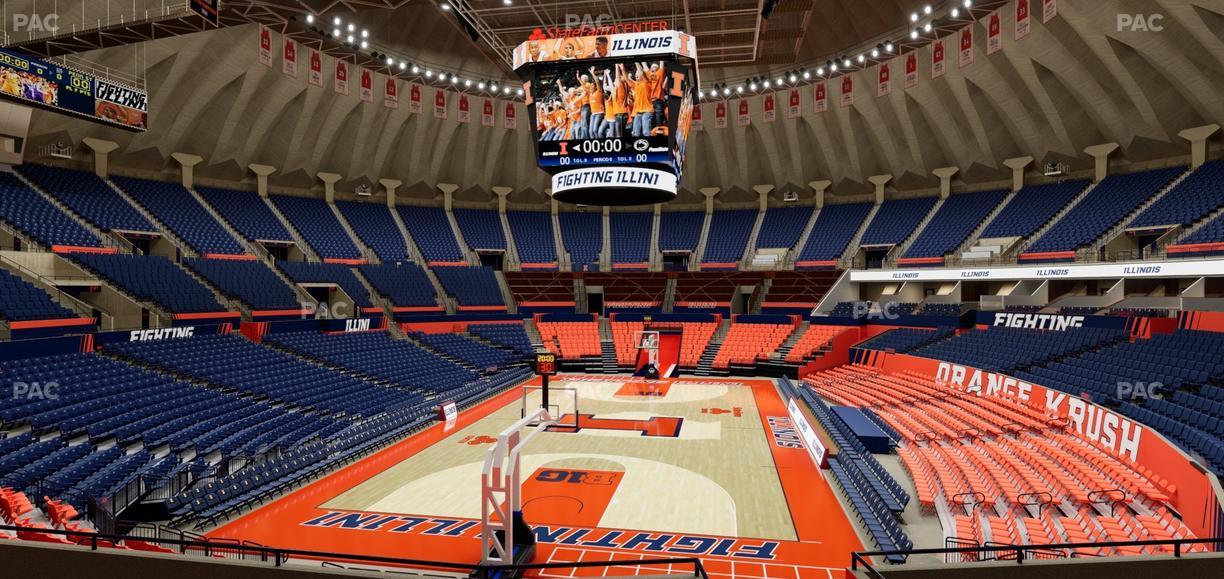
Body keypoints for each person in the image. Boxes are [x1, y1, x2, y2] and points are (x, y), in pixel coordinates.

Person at [626, 63, 654, 138]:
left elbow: (642, 72)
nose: (636, 74)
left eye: (637, 72)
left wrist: (636, 62)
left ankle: (649, 148)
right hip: (638, 112)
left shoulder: (647, 82)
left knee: (646, 132)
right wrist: (621, 68)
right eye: (635, 73)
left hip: (647, 111)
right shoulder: (636, 84)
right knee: (635, 134)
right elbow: (626, 79)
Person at [583, 67, 606, 139]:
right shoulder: (590, 93)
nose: (591, 87)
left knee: (595, 130)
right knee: (590, 131)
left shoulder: (598, 92)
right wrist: (578, 79)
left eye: (592, 86)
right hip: (593, 114)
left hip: (599, 113)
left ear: (595, 87)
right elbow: (583, 86)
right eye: (590, 86)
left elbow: (598, 82)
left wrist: (592, 73)